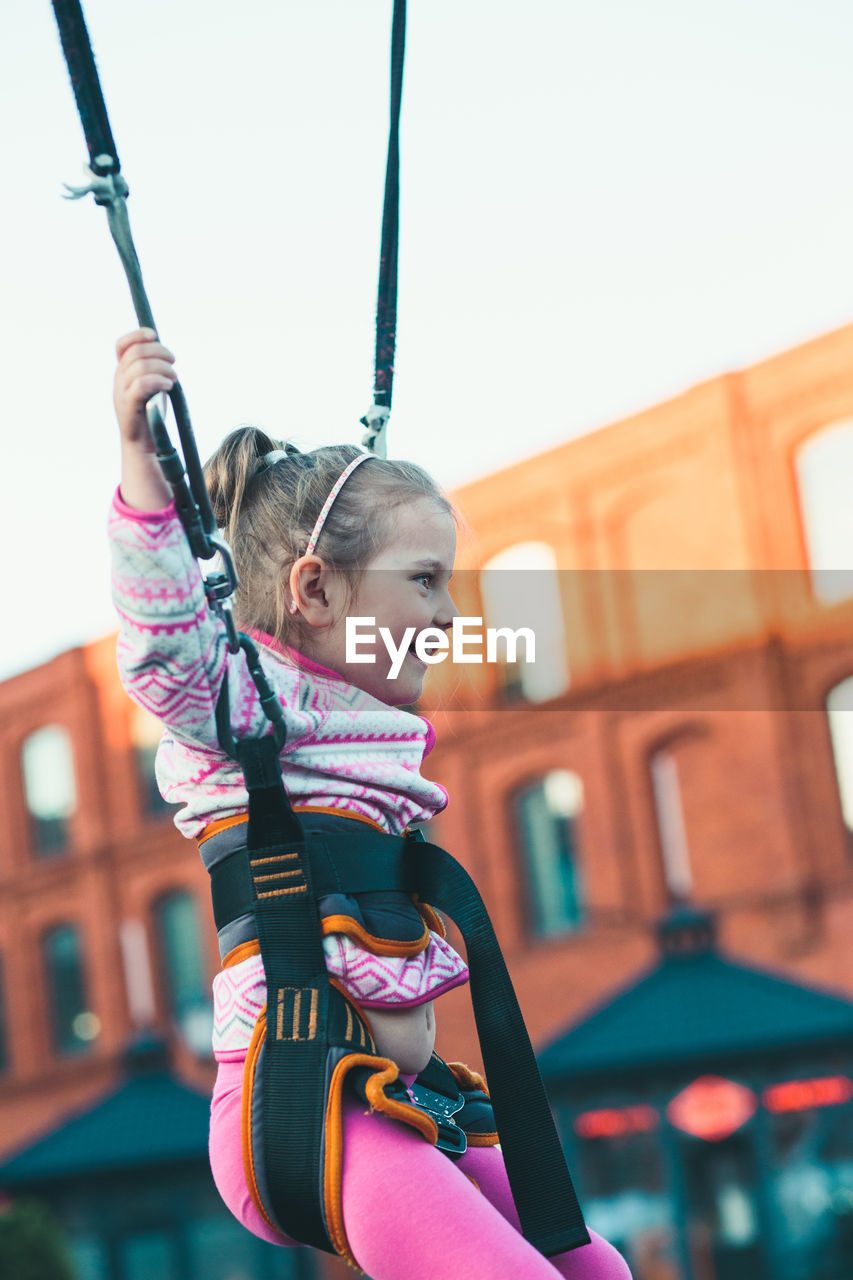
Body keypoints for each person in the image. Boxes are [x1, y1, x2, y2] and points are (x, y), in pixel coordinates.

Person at [110, 328, 632, 1280]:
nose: (449, 614)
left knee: (597, 1269)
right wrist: (143, 473)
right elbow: (162, 650)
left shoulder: (371, 727)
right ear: (313, 589)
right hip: (307, 1100)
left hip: (406, 1096)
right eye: (423, 581)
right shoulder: (240, 708)